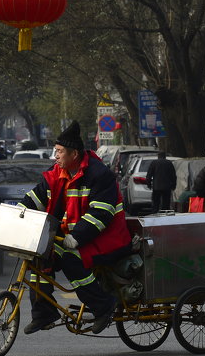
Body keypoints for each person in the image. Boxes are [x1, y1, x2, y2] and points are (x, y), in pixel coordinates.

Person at [20, 121, 130, 335]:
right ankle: (44, 313)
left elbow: (102, 214)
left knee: (72, 260)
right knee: (39, 259)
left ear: (75, 154)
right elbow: (36, 198)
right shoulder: (56, 173)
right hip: (75, 237)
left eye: (60, 152)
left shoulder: (99, 175)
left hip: (107, 238)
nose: (56, 156)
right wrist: (17, 213)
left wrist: (76, 237)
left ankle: (103, 306)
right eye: (56, 151)